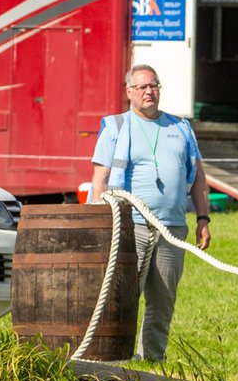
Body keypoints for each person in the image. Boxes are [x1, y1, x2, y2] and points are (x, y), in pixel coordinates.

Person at [90, 64, 211, 361]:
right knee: (124, 299)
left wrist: (203, 220)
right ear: (129, 92)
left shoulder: (181, 128)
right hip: (131, 227)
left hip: (172, 229)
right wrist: (97, 223)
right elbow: (99, 180)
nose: (149, 92)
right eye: (142, 87)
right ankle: (116, 358)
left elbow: (198, 178)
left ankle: (152, 360)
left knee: (163, 300)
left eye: (154, 86)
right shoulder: (116, 126)